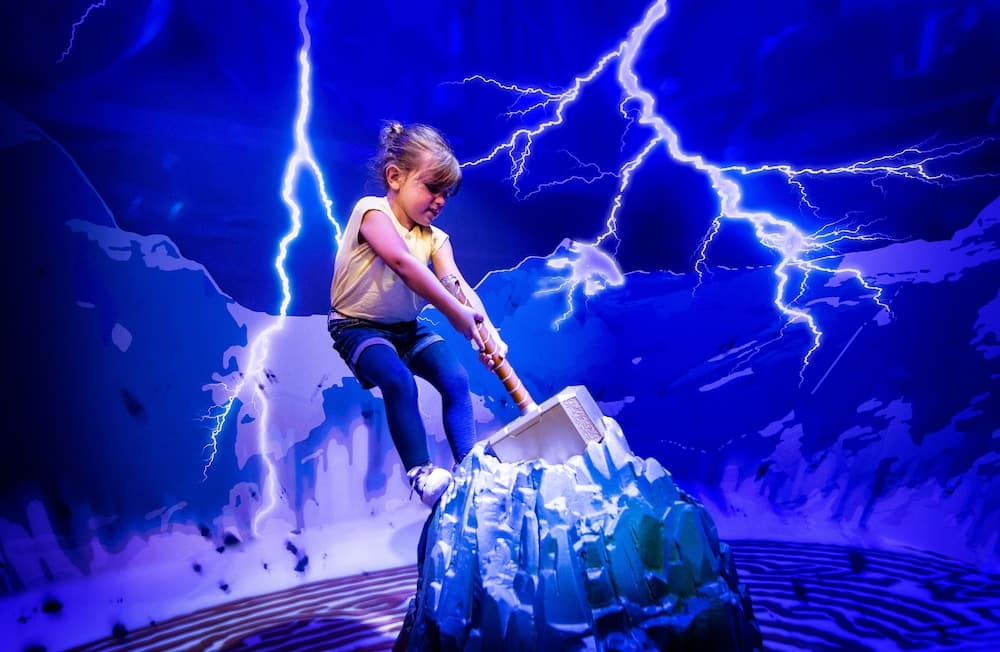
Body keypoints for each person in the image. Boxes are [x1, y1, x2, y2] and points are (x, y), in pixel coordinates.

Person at [327, 121, 507, 507]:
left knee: (456, 379)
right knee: (399, 380)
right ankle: (422, 474)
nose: (439, 201)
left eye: (446, 194)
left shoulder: (436, 239)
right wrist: (455, 314)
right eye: (431, 188)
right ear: (395, 177)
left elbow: (457, 284)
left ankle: (470, 467)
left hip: (406, 328)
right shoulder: (372, 212)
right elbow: (403, 264)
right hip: (357, 327)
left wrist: (489, 332)